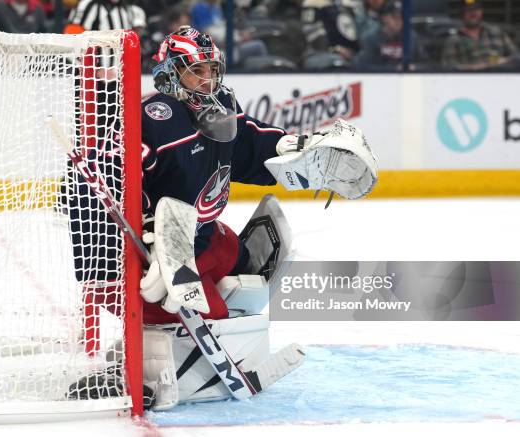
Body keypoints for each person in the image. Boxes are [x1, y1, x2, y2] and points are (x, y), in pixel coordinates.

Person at [138, 26, 377, 324]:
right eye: (195, 70)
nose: (207, 81)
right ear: (169, 75)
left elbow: (247, 142)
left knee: (244, 260)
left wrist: (287, 147)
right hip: (164, 256)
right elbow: (121, 188)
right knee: (213, 319)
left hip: (205, 234)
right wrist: (150, 243)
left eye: (212, 70)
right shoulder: (152, 121)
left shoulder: (220, 106)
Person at [441, 0, 518, 71]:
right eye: (469, 10)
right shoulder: (454, 39)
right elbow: (448, 67)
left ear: (481, 11)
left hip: (502, 77)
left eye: (476, 10)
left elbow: (515, 56)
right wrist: (474, 67)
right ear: (462, 14)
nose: (473, 13)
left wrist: (500, 61)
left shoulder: (496, 32)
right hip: (470, 81)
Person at [354, 0, 424, 69]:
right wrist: (393, 69)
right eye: (395, 17)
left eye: (401, 18)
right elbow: (362, 66)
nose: (399, 22)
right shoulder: (371, 38)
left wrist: (415, 67)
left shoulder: (411, 37)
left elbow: (424, 62)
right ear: (384, 19)